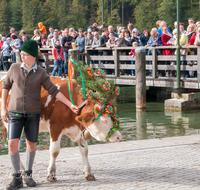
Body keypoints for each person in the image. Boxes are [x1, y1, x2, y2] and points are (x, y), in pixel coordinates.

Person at [1, 40, 79, 190]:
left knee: (31, 144)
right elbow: (5, 86)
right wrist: (3, 108)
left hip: (32, 114)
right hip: (14, 113)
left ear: (32, 56)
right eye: (21, 54)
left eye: (24, 55)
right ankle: (16, 177)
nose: (22, 57)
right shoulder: (14, 68)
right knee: (12, 144)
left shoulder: (41, 72)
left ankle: (28, 175)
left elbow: (54, 91)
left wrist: (70, 105)